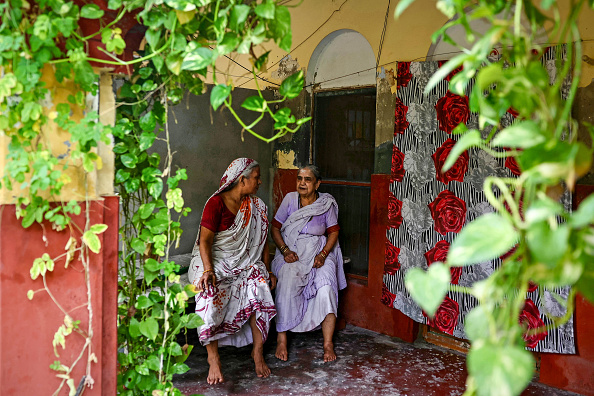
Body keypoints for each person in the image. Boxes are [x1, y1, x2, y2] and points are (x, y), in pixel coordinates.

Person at [188, 158, 278, 385]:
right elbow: (205, 242)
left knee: (259, 286)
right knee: (208, 291)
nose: (259, 181)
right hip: (213, 259)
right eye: (256, 177)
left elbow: (262, 243)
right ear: (242, 180)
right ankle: (213, 358)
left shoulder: (256, 206)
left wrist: (267, 271)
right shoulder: (216, 203)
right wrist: (208, 270)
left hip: (244, 262)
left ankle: (257, 352)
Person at [271, 165, 347, 363]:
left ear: (317, 183)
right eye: (299, 178)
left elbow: (333, 232)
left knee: (327, 286)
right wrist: (285, 251)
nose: (302, 183)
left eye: (307, 179)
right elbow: (275, 228)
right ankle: (282, 338)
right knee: (286, 281)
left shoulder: (325, 204)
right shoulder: (289, 199)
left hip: (319, 250)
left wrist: (322, 255)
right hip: (293, 249)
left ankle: (328, 343)